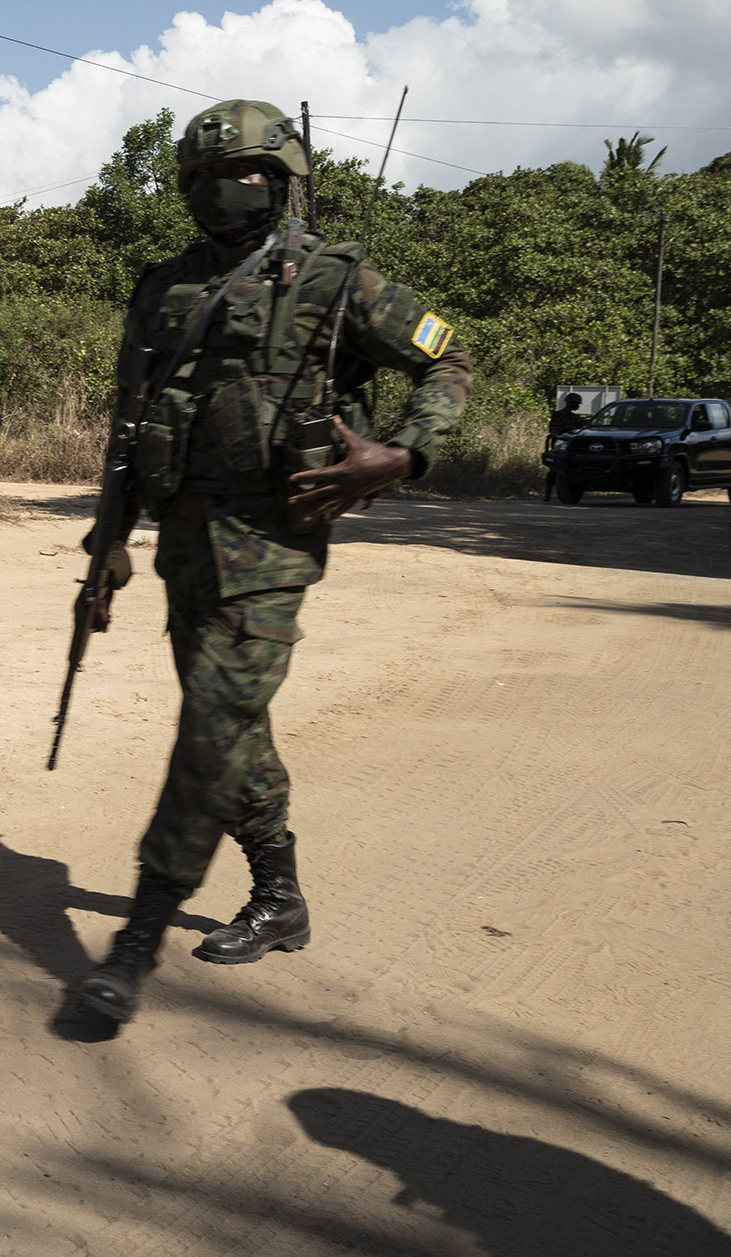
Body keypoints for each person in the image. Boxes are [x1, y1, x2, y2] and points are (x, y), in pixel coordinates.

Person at [71, 99, 472, 1025]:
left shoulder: (337, 279)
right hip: (184, 544)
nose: (224, 196)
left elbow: (447, 364)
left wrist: (406, 453)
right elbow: (130, 427)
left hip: (275, 546)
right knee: (232, 726)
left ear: (283, 181)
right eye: (206, 181)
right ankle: (280, 894)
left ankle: (137, 936)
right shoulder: (162, 287)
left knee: (210, 727)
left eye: (244, 177)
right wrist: (107, 546)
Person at [544, 392, 587, 500]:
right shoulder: (557, 415)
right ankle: (548, 492)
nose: (577, 406)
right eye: (575, 403)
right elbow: (554, 429)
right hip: (559, 447)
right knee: (554, 470)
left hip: (570, 448)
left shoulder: (575, 417)